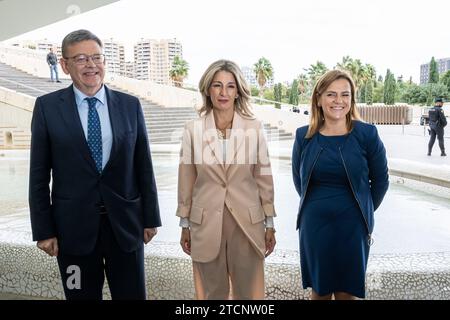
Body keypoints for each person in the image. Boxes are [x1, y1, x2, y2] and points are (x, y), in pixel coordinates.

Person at [29, 29, 161, 300]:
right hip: (72, 232)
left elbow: (143, 167)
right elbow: (39, 176)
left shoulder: (130, 105)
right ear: (64, 65)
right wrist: (44, 230)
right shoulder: (47, 107)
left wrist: (151, 218)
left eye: (96, 57)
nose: (91, 65)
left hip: (125, 228)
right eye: (80, 59)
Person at [176, 59, 276, 300]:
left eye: (230, 86)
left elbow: (263, 177)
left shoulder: (254, 128)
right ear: (208, 90)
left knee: (249, 296)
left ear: (238, 91)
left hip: (247, 223)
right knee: (211, 295)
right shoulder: (193, 129)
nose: (223, 92)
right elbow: (186, 179)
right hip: (205, 222)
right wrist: (184, 224)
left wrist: (270, 223)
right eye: (217, 85)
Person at [291, 70, 389, 300]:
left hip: (353, 226)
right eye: (331, 94)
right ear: (318, 98)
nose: (338, 101)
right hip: (315, 226)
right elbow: (299, 181)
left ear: (352, 99)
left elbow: (381, 181)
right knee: (320, 291)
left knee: (348, 292)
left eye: (345, 95)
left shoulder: (367, 134)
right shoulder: (303, 136)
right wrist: (318, 207)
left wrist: (361, 210)